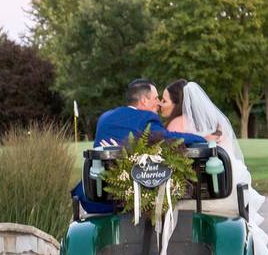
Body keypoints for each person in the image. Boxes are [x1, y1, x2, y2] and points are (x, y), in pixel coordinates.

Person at [161, 80, 268, 255]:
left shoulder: (174, 125)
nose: (160, 104)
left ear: (178, 103)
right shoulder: (214, 124)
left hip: (189, 194)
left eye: (164, 99)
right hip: (220, 192)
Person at [72, 79, 206, 214]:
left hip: (95, 196)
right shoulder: (146, 118)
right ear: (144, 100)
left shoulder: (105, 117)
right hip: (129, 200)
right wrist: (201, 138)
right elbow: (169, 138)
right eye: (155, 98)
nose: (159, 103)